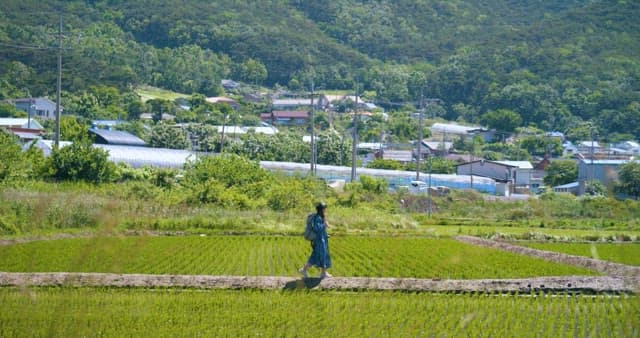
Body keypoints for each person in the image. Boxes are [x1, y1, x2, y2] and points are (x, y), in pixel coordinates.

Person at [299, 202, 332, 279]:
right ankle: (305, 270)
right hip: (319, 240)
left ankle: (323, 273)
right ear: (322, 209)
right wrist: (325, 224)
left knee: (320, 256)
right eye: (324, 208)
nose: (325, 210)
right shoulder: (318, 218)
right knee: (320, 256)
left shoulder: (321, 217)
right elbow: (317, 228)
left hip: (322, 239)